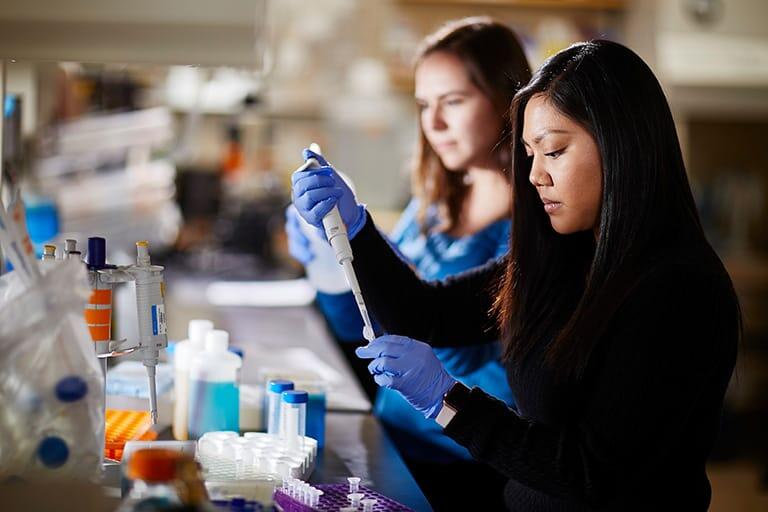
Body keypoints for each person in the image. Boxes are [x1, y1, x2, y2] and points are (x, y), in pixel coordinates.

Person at [292, 40, 741, 511]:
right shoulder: (563, 256)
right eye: (528, 153)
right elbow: (426, 314)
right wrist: (355, 228)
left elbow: (593, 476)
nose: (533, 176)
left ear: (621, 145)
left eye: (554, 151)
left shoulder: (679, 289)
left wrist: (447, 400)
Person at [286, 17, 530, 510]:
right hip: (390, 441)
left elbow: (451, 344)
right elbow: (366, 330)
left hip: (464, 463)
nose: (434, 123)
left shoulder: (531, 228)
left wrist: (370, 248)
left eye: (454, 101)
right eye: (423, 105)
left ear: (509, 101)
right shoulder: (430, 206)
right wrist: (329, 265)